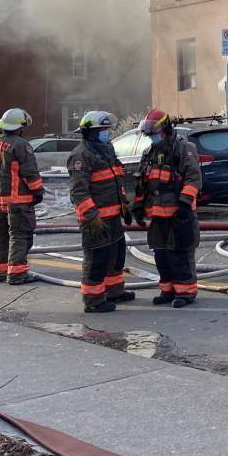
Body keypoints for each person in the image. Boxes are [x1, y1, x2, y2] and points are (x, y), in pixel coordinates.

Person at [131, 109, 201, 308]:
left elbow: (194, 178)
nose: (151, 138)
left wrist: (185, 205)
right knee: (161, 256)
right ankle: (168, 290)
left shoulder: (184, 149)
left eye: (154, 134)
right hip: (157, 216)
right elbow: (142, 182)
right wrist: (137, 206)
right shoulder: (149, 154)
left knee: (179, 255)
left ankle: (186, 293)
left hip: (179, 215)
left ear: (166, 130)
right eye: (149, 135)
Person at [67, 111, 134, 313]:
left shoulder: (106, 150)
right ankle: (93, 300)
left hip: (113, 216)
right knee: (97, 259)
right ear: (90, 133)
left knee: (116, 255)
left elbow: (115, 178)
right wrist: (91, 216)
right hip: (95, 219)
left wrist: (124, 205)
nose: (107, 133)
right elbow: (78, 192)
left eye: (107, 129)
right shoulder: (80, 155)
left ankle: (114, 291)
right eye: (103, 130)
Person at [0, 108, 44, 285]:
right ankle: (17, 274)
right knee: (20, 236)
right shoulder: (21, 144)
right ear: (19, 127)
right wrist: (38, 192)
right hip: (18, 201)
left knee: (0, 236)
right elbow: (30, 173)